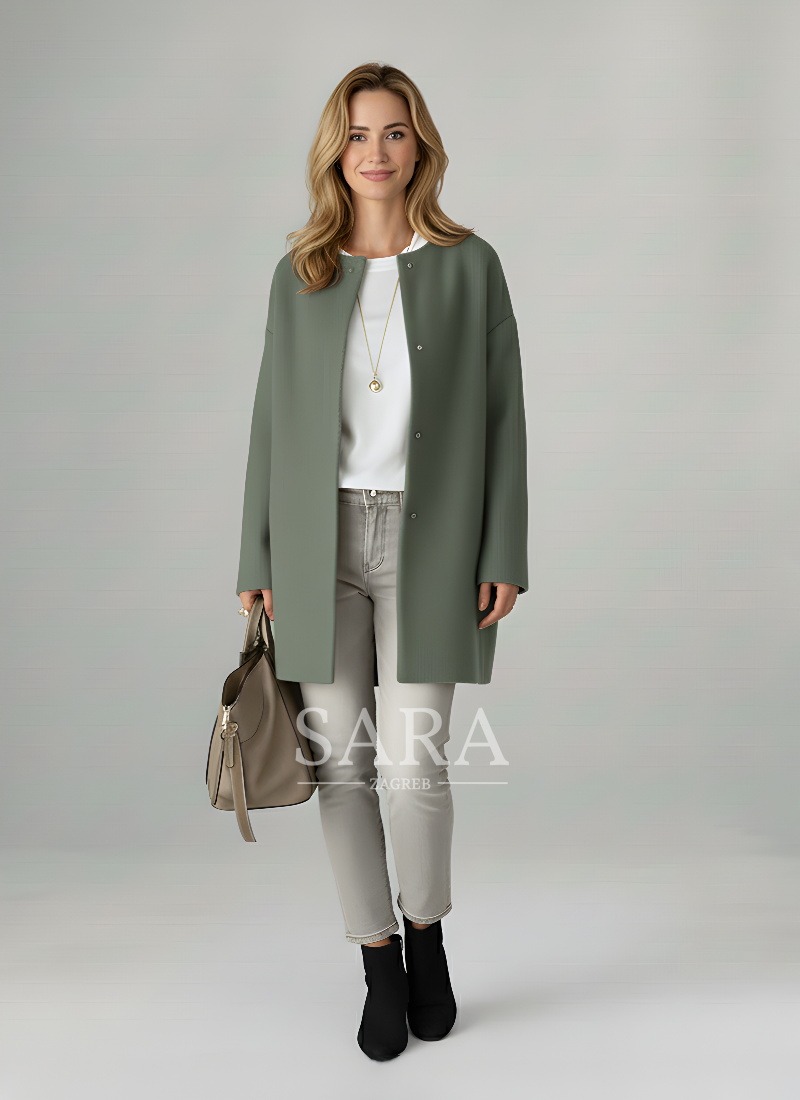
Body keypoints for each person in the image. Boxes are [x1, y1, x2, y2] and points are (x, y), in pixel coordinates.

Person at [237, 62, 528, 1061]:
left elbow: (503, 415)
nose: (375, 151)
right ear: (336, 151)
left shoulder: (468, 264)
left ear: (419, 146)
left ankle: (426, 935)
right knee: (341, 768)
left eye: (393, 132)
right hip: (315, 544)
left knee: (413, 766)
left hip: (428, 541)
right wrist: (256, 551)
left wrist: (502, 547)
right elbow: (270, 420)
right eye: (358, 134)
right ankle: (378, 963)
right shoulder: (301, 272)